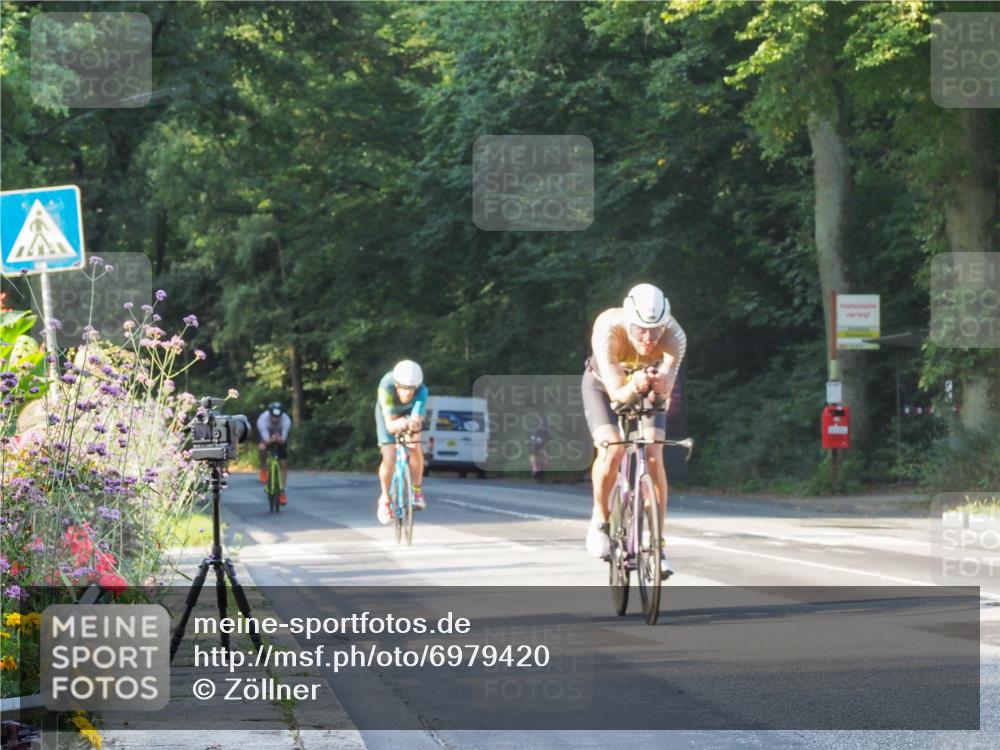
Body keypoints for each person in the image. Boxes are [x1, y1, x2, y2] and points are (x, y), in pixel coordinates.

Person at [582, 283, 686, 575]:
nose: (649, 338)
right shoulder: (607, 328)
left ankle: (657, 544)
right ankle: (600, 520)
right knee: (611, 448)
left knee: (653, 453)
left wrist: (661, 385)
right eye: (641, 330)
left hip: (646, 386)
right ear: (628, 322)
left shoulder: (675, 336)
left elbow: (665, 391)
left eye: (656, 330)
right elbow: (617, 395)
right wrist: (634, 384)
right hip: (603, 386)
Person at [375, 360, 428, 524]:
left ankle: (417, 492)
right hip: (388, 415)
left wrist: (413, 423)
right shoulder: (386, 387)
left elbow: (417, 415)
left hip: (408, 414)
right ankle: (385, 498)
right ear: (397, 385)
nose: (408, 392)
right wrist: (398, 424)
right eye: (404, 388)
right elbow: (390, 425)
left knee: (414, 446)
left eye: (412, 388)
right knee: (389, 456)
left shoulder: (422, 390)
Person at [257, 401, 292, 505]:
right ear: (269, 414)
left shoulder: (286, 420)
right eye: (273, 417)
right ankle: (263, 468)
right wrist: (271, 440)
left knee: (283, 464)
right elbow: (266, 440)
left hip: (280, 435)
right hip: (267, 435)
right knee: (262, 448)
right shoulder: (262, 420)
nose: (275, 419)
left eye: (278, 417)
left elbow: (284, 439)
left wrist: (280, 439)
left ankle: (282, 492)